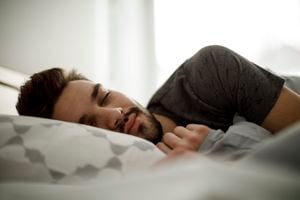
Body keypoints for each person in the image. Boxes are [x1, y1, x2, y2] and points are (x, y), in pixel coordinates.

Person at [16, 45, 300, 157]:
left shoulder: (208, 72)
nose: (115, 113)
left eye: (104, 96)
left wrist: (222, 148)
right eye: (90, 124)